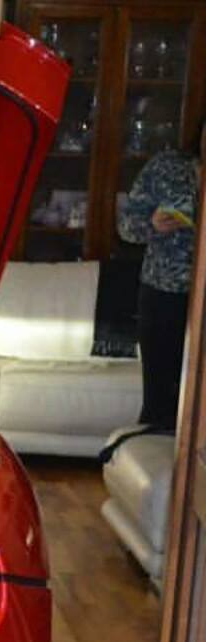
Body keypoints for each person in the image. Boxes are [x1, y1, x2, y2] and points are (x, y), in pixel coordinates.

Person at [118, 120, 203, 430]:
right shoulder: (166, 166)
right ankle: (152, 452)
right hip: (163, 293)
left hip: (202, 297)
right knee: (159, 396)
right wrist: (152, 224)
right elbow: (126, 227)